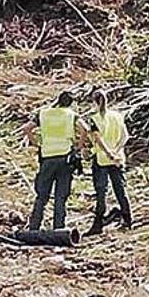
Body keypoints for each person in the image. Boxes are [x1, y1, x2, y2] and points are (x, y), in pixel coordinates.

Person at [22, 91, 88, 231]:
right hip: (65, 158)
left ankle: (34, 226)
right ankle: (59, 227)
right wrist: (78, 146)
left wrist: (36, 143)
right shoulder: (71, 115)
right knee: (61, 195)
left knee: (42, 195)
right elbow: (85, 129)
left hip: (47, 157)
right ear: (71, 103)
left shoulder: (44, 114)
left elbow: (27, 128)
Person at [85, 90, 131, 236]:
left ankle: (98, 223)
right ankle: (127, 218)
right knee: (120, 189)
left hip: (102, 159)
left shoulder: (94, 119)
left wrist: (108, 153)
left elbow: (98, 139)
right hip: (118, 158)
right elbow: (125, 136)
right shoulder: (117, 116)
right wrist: (116, 150)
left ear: (94, 102)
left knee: (101, 192)